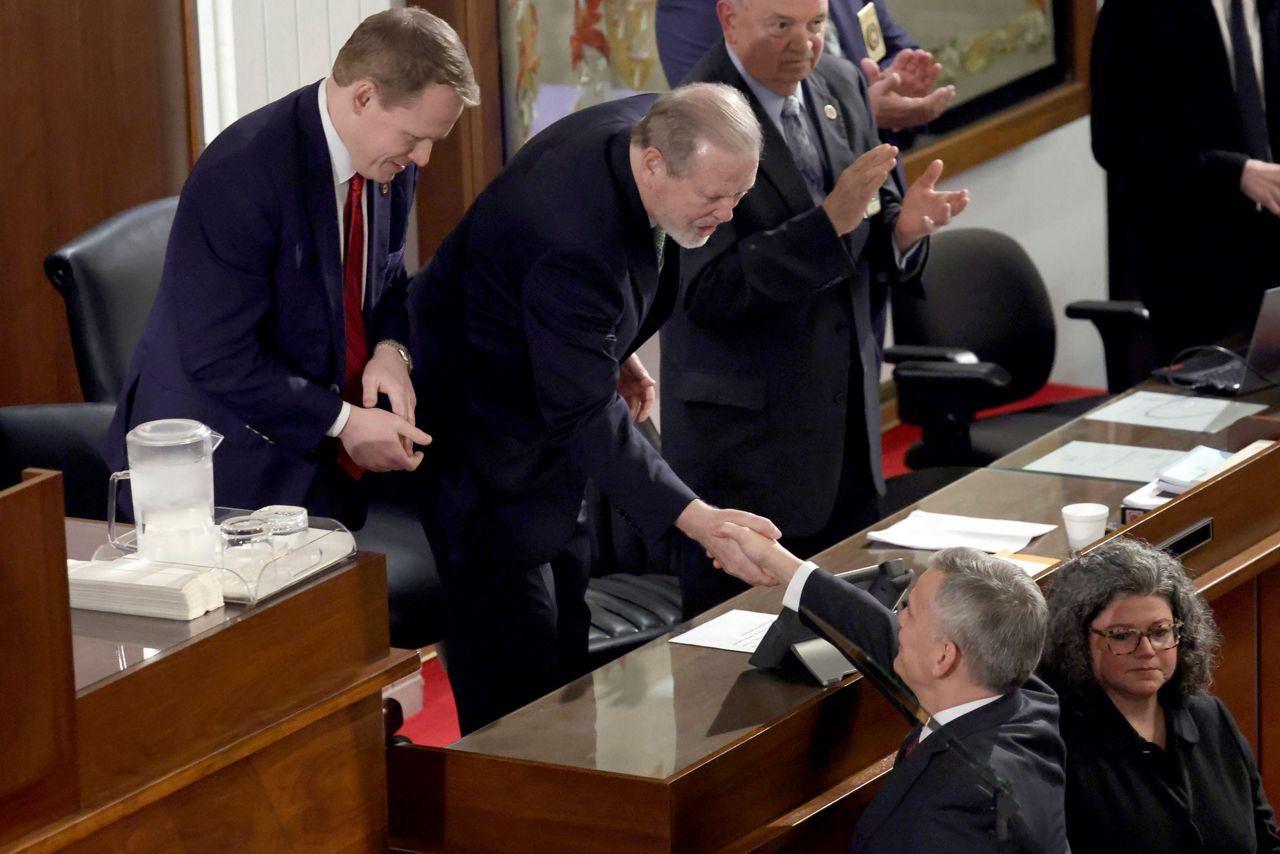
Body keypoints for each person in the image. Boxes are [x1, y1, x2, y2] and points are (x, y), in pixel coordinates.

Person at [411, 84, 782, 734]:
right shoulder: (572, 237)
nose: (727, 215)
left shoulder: (660, 122)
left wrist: (608, 349)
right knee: (517, 677)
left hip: (543, 398)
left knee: (569, 643)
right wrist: (698, 520)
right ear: (653, 163)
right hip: (479, 435)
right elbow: (583, 412)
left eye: (739, 195)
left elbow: (596, 306)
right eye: (713, 198)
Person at [105, 9, 478, 527]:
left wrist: (392, 350)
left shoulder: (389, 161)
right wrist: (344, 422)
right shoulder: (243, 172)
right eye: (415, 137)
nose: (423, 158)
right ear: (364, 97)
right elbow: (219, 357)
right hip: (220, 468)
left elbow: (387, 276)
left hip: (319, 457)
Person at [660, 0, 968, 617]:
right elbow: (708, 291)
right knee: (739, 659)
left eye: (817, 24)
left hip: (846, 439)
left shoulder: (841, 81)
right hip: (748, 455)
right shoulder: (687, 119)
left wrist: (903, 231)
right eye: (781, 26)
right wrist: (827, 225)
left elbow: (872, 214)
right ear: (729, 18)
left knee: (853, 642)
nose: (803, 44)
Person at [714, 524, 1068, 852]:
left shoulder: (951, 811)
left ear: (943, 656)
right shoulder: (1026, 703)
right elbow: (882, 635)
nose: (898, 620)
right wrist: (778, 562)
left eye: (909, 611)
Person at [1042, 537, 1280, 853]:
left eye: (1159, 632)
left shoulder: (1210, 717)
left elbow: (1265, 842)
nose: (1146, 650)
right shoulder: (1057, 745)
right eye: (1121, 635)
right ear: (1076, 642)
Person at [1091, 0, 1280, 364]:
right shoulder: (1137, 11)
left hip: (1272, 252)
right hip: (1193, 263)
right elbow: (1115, 142)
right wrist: (1234, 172)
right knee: (1216, 391)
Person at [655, 0, 954, 137]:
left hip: (886, 195)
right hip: (791, 217)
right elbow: (712, 121)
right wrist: (858, 112)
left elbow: (891, 42)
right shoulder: (689, 7)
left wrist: (896, 81)